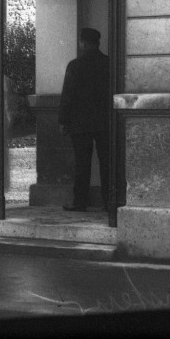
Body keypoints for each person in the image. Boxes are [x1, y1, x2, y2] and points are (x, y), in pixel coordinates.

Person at [58, 27, 110, 212]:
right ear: (97, 42)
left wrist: (63, 121)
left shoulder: (75, 65)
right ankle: (109, 201)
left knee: (82, 164)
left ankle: (80, 202)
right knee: (108, 163)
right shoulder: (109, 64)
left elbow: (67, 95)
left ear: (83, 43)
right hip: (105, 122)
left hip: (80, 123)